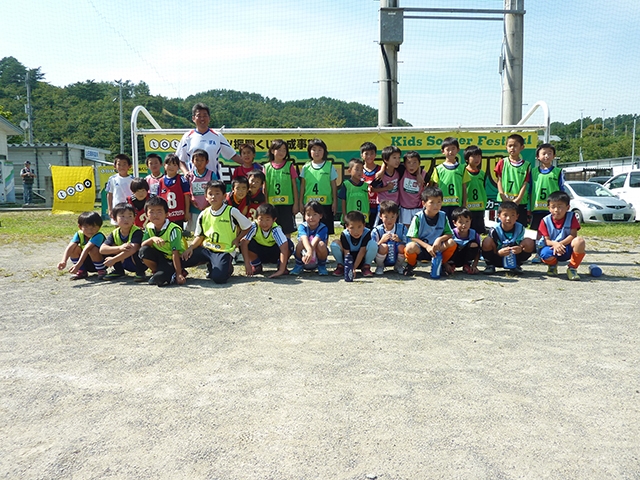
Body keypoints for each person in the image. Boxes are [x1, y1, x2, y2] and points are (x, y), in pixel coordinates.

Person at [181, 180, 253, 284]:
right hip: (206, 248)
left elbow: (248, 226)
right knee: (179, 261)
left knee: (218, 278)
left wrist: (237, 239)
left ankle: (227, 268)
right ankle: (209, 262)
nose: (213, 197)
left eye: (217, 193)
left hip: (223, 251)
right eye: (210, 194)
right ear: (206, 196)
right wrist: (191, 248)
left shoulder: (231, 211)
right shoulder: (203, 214)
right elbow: (200, 236)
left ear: (224, 196)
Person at [175, 102, 242, 178]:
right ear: (193, 118)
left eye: (205, 115)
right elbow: (179, 160)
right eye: (199, 116)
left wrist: (251, 165)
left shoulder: (217, 136)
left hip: (213, 182)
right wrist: (186, 172)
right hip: (193, 182)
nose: (202, 119)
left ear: (209, 118)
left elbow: (233, 155)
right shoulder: (187, 137)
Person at [403, 186, 457, 276]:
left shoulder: (443, 216)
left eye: (439, 202)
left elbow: (449, 234)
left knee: (451, 242)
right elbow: (413, 237)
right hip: (422, 248)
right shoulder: (418, 217)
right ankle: (411, 265)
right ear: (424, 203)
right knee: (410, 247)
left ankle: (441, 263)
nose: (436, 205)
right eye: (432, 203)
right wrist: (427, 246)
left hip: (436, 249)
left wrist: (439, 239)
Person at [138, 196, 187, 287]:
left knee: (160, 281)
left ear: (167, 214)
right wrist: (153, 239)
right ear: (147, 214)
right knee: (143, 251)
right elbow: (143, 245)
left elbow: (175, 252)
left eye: (159, 212)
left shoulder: (173, 229)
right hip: (161, 257)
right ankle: (158, 271)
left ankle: (177, 272)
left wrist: (178, 274)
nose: (155, 215)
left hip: (175, 259)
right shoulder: (149, 226)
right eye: (151, 212)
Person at [538, 191, 585, 280]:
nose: (556, 210)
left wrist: (560, 244)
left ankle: (572, 268)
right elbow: (547, 241)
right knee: (544, 254)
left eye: (560, 207)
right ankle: (552, 265)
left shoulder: (571, 217)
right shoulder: (545, 221)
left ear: (567, 207)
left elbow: (573, 235)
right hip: (552, 247)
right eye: (553, 207)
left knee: (580, 241)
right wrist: (555, 245)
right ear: (549, 208)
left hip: (566, 247)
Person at [530, 143, 564, 263]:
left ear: (554, 156)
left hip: (552, 210)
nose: (546, 156)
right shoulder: (533, 172)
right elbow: (529, 190)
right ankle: (538, 254)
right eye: (543, 153)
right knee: (538, 233)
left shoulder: (558, 172)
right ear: (538, 157)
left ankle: (552, 253)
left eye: (550, 153)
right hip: (537, 208)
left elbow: (562, 190)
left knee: (552, 232)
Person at [240, 203, 294, 278]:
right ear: (256, 218)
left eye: (267, 219)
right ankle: (256, 265)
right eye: (261, 219)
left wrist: (281, 271)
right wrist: (247, 264)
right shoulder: (253, 226)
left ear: (274, 220)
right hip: (260, 253)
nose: (264, 223)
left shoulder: (276, 229)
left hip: (274, 254)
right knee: (244, 242)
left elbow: (284, 248)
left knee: (289, 244)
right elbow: (244, 243)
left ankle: (282, 265)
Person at [481, 200, 535, 275]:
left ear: (517, 216)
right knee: (487, 241)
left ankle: (516, 265)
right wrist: (498, 253)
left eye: (512, 215)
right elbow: (493, 244)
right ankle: (490, 265)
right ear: (499, 216)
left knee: (529, 242)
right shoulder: (494, 229)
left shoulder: (520, 228)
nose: (508, 218)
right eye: (505, 215)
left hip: (513, 256)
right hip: (497, 256)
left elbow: (518, 242)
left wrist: (519, 248)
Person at [299, 138, 338, 234]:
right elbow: (303, 186)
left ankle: (324, 248)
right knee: (310, 228)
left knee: (326, 228)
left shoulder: (329, 166)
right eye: (314, 149)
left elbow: (333, 186)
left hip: (325, 203)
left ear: (324, 151)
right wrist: (300, 202)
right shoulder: (306, 167)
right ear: (309, 151)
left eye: (320, 150)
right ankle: (309, 247)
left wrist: (335, 202)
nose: (317, 152)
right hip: (310, 204)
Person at [100, 203, 147, 281]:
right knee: (110, 248)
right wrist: (120, 248)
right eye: (122, 216)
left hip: (136, 262)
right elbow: (102, 249)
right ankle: (119, 271)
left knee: (136, 249)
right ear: (114, 218)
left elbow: (133, 249)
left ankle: (140, 272)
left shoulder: (137, 231)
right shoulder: (114, 233)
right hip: (122, 260)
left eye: (130, 216)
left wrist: (114, 260)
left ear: (134, 218)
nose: (126, 219)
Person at [264, 139, 299, 236]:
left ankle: (288, 249)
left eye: (284, 150)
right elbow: (265, 188)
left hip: (287, 205)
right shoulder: (266, 167)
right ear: (272, 151)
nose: (282, 152)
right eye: (279, 149)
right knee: (272, 230)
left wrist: (296, 204)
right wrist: (266, 204)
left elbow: (294, 186)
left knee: (287, 230)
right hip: (272, 205)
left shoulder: (289, 165)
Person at [57, 211, 106, 280]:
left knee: (93, 249)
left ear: (99, 227)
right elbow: (70, 247)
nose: (90, 230)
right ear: (80, 227)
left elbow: (87, 249)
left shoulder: (98, 235)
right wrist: (63, 261)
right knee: (74, 249)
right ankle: (82, 271)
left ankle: (101, 271)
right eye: (86, 227)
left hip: (101, 262)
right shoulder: (79, 234)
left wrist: (77, 265)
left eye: (93, 227)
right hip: (85, 262)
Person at [494, 133, 531, 227]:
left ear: (522, 147)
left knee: (520, 226)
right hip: (504, 201)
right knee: (503, 226)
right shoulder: (502, 162)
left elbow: (525, 183)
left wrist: (518, 199)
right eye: (510, 146)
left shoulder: (527, 165)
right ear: (506, 147)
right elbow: (499, 180)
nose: (512, 148)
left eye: (515, 146)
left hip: (520, 202)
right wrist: (503, 197)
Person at [331, 210, 377, 278]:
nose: (356, 231)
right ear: (346, 226)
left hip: (361, 259)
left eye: (359, 227)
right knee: (334, 244)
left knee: (373, 244)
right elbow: (347, 253)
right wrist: (349, 268)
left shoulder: (367, 233)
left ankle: (366, 267)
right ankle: (341, 266)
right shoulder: (344, 234)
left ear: (364, 225)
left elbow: (362, 251)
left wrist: (353, 268)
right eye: (352, 228)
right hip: (348, 260)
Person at [431, 137, 466, 222]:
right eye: (448, 149)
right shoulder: (438, 169)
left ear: (458, 150)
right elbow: (435, 187)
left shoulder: (462, 168)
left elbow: (464, 188)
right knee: (443, 226)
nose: (450, 152)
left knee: (456, 225)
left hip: (457, 204)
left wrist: (464, 204)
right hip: (442, 204)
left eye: (453, 149)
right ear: (443, 151)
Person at [290, 200, 330, 276]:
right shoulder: (302, 227)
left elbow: (316, 240)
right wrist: (308, 252)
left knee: (321, 244)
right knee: (301, 243)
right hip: (304, 257)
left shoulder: (323, 228)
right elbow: (304, 238)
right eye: (308, 215)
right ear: (304, 216)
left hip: (316, 257)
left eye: (315, 214)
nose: (311, 217)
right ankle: (299, 265)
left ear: (320, 216)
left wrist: (310, 252)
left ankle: (321, 266)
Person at [185, 149, 218, 233]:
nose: (199, 162)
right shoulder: (190, 176)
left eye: (202, 160)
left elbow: (216, 190)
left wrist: (209, 204)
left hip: (209, 209)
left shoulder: (211, 174)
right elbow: (187, 194)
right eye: (197, 160)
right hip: (194, 210)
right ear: (192, 161)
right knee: (193, 232)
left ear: (207, 162)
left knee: (208, 231)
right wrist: (188, 209)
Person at [372, 200, 407, 275]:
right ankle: (380, 266)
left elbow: (407, 243)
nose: (389, 220)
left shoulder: (402, 228)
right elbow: (372, 247)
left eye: (392, 216)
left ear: (397, 216)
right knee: (383, 246)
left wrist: (399, 240)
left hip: (396, 256)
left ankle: (398, 266)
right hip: (382, 256)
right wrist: (381, 241)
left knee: (402, 247)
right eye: (386, 217)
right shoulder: (376, 230)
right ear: (380, 216)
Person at [157, 153, 191, 227]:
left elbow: (187, 197)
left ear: (178, 167)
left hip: (179, 215)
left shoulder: (182, 179)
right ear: (164, 165)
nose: (171, 167)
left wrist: (187, 212)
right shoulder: (161, 181)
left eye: (174, 165)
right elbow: (159, 199)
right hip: (166, 216)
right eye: (169, 164)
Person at [370, 145, 402, 222]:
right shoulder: (380, 175)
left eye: (398, 157)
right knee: (380, 227)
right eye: (394, 158)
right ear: (386, 160)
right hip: (383, 206)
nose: (397, 160)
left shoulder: (400, 170)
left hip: (395, 205)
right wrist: (386, 188)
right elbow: (372, 189)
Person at [398, 151, 427, 227]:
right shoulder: (401, 171)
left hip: (418, 208)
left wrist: (419, 173)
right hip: (404, 209)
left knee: (418, 230)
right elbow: (388, 162)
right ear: (404, 164)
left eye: (414, 162)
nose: (412, 166)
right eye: (409, 163)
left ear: (419, 163)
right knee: (405, 231)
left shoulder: (424, 174)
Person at [462, 145, 487, 234]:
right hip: (467, 207)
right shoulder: (462, 172)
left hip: (479, 207)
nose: (477, 159)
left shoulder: (482, 173)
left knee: (479, 231)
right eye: (473, 156)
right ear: (467, 159)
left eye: (479, 156)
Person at [448, 207, 481, 275]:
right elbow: (442, 250)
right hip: (453, 257)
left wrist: (474, 265)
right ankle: (450, 265)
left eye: (467, 221)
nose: (464, 225)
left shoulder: (474, 234)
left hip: (465, 256)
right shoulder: (450, 234)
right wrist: (445, 264)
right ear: (454, 223)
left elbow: (478, 251)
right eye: (460, 222)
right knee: (450, 243)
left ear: (470, 221)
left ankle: (467, 265)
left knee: (474, 244)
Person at [338, 158, 370, 224]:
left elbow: (367, 200)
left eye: (362, 170)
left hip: (363, 217)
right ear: (349, 170)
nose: (360, 172)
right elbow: (343, 201)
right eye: (357, 169)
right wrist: (344, 214)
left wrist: (368, 212)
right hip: (350, 217)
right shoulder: (346, 184)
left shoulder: (365, 185)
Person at [105, 153, 134, 224]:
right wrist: (110, 209)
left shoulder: (133, 179)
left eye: (124, 164)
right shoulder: (112, 179)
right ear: (115, 166)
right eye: (119, 164)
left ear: (129, 166)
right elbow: (110, 194)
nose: (122, 167)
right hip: (117, 207)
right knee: (118, 225)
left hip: (129, 207)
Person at [360, 141, 380, 228]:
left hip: (377, 206)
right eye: (366, 153)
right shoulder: (358, 170)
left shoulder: (380, 170)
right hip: (363, 207)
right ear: (362, 155)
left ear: (375, 155)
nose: (369, 156)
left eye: (372, 153)